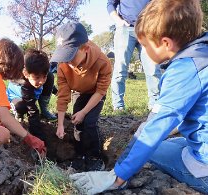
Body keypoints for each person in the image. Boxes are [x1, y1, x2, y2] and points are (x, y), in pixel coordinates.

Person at [70, 0, 208, 194]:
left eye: (144, 45)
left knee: (155, 149)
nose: (144, 52)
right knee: (169, 143)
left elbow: (155, 127)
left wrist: (117, 176)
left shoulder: (184, 69)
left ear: (165, 43)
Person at [51, 22, 112, 171]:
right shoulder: (63, 66)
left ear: (84, 49)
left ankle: (94, 155)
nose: (67, 62)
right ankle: (80, 154)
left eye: (70, 57)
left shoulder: (102, 62)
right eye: (64, 57)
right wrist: (60, 124)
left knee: (89, 122)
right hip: (79, 93)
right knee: (77, 124)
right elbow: (63, 96)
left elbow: (100, 91)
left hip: (95, 94)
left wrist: (84, 112)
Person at [107, 0, 162, 110]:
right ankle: (118, 106)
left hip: (148, 30)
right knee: (120, 68)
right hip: (125, 28)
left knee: (153, 69)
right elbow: (110, 4)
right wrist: (119, 21)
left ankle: (155, 104)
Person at [6, 49, 52, 142]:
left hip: (32, 94)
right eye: (37, 77)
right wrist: (38, 136)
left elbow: (48, 83)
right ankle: (18, 114)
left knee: (51, 77)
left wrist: (56, 91)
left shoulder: (41, 78)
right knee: (22, 107)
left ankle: (44, 110)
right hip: (18, 98)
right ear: (26, 74)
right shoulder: (24, 85)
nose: (42, 81)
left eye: (44, 76)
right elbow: (32, 110)